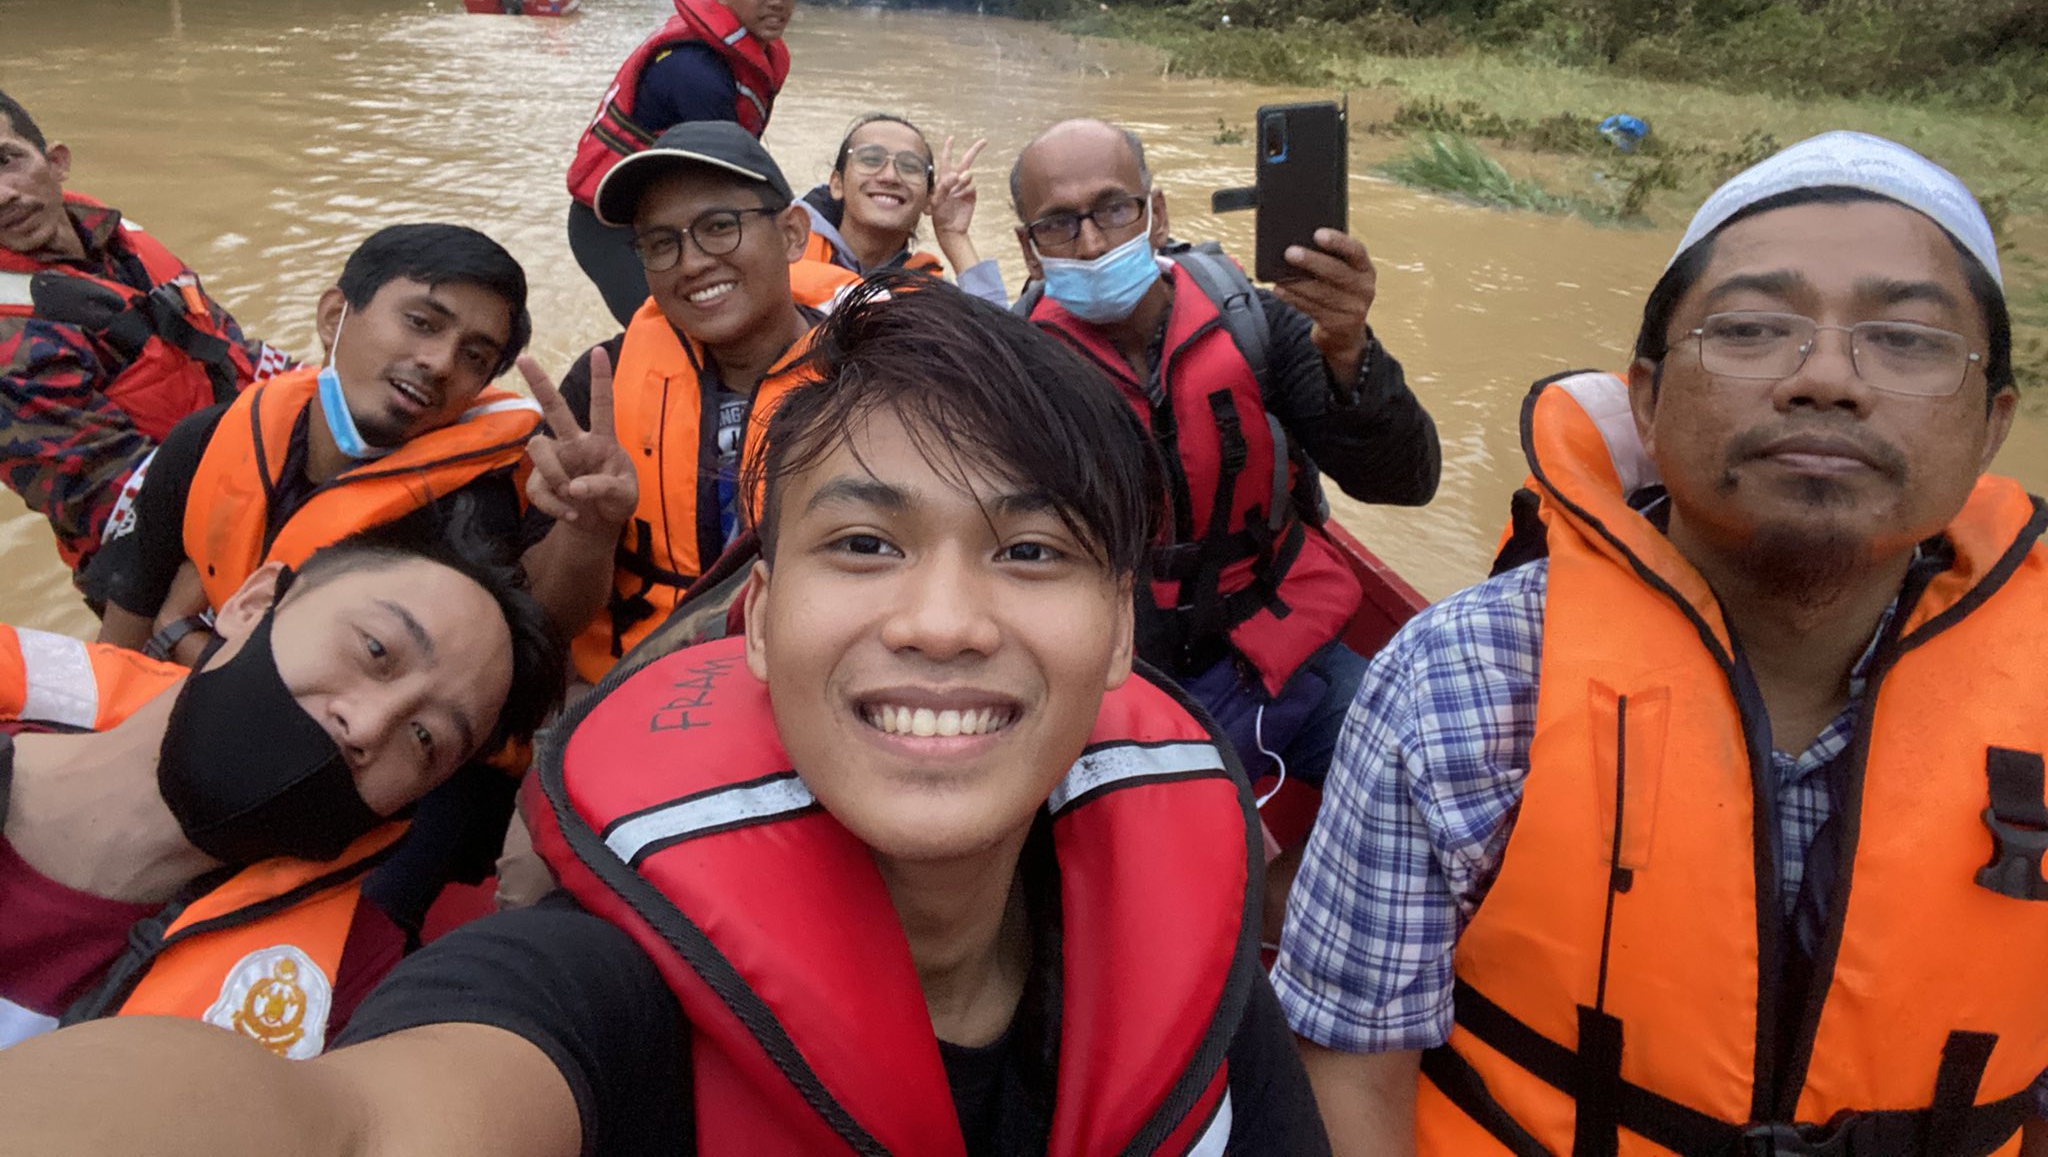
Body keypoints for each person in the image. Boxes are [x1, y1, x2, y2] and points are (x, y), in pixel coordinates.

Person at [0, 275, 1333, 1157]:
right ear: (753, 623)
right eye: (863, 546)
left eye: (1031, 555)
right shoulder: (598, 989)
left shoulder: (1196, 959)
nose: (943, 621)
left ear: (1118, 643)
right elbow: (347, 1125)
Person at [1278, 131, 2048, 1155]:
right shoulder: (1461, 685)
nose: (1824, 378)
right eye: (1748, 330)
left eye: (1904, 340)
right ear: (1642, 396)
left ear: (1991, 425)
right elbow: (1350, 1076)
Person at [0, 520, 563, 1059]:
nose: (367, 727)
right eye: (374, 652)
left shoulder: (347, 996)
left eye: (424, 738)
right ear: (253, 603)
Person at [1010, 118, 1440, 795]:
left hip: (1283, 641)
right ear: (1029, 251)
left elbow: (1405, 483)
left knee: (1427, 772)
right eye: (1059, 224)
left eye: (1114, 209)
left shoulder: (1261, 325)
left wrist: (1351, 350)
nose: (1091, 243)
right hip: (1114, 678)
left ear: (1156, 215)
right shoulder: (1009, 373)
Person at [85, 223, 617, 654]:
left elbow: (537, 635)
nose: (439, 363)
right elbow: (128, 624)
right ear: (334, 315)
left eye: (474, 357)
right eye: (422, 322)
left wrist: (181, 636)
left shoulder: (469, 510)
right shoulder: (203, 442)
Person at [553, 120, 856, 685]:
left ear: (793, 234)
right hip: (638, 691)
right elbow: (547, 618)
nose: (691, 263)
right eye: (661, 243)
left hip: (821, 687)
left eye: (719, 226)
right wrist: (589, 528)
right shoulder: (602, 386)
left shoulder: (878, 372)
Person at [0, 89, 286, 582]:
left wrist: (327, 393)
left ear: (57, 162)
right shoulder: (12, 347)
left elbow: (229, 349)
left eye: (7, 160)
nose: (2, 194)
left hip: (253, 459)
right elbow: (122, 502)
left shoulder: (120, 239)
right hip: (160, 566)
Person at [566, 0, 815, 324]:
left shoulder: (740, 55)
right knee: (677, 332)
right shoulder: (694, 72)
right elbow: (730, 181)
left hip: (668, 214)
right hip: (612, 229)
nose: (777, 2)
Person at [797, 110, 1007, 305]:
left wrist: (954, 235)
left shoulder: (930, 295)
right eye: (870, 160)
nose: (890, 176)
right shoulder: (783, 250)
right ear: (836, 183)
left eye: (910, 166)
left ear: (928, 198)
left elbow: (1001, 342)